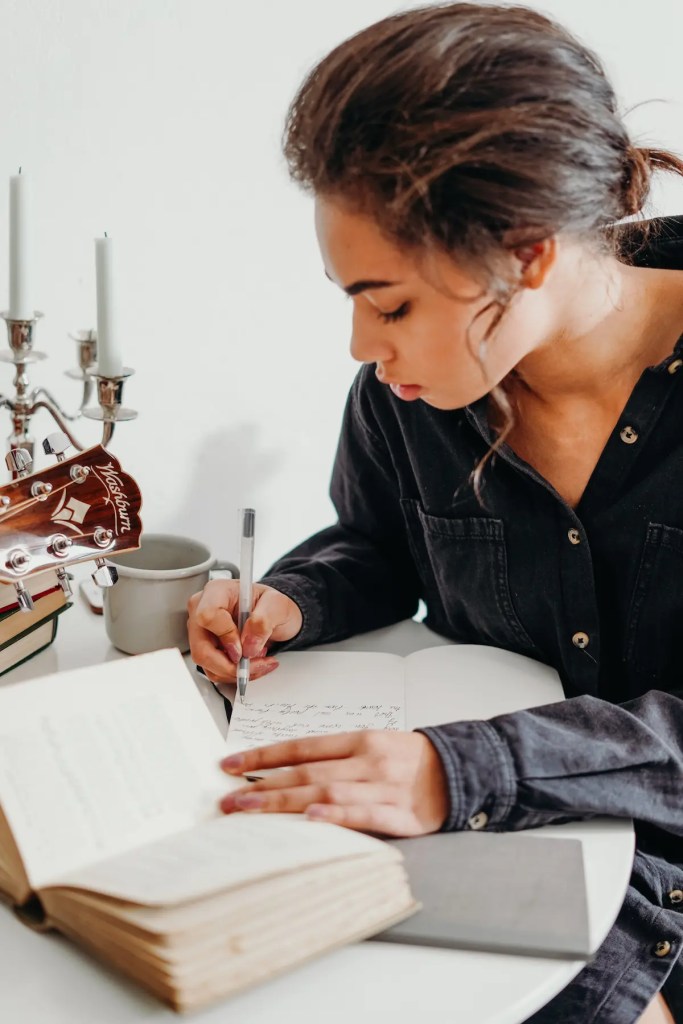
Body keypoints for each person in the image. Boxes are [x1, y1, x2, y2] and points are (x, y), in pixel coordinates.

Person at [187, 5, 683, 1021]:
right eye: (351, 298)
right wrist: (288, 600)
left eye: (392, 303)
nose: (363, 344)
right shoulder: (405, 401)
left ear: (529, 251)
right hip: (506, 850)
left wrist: (465, 769)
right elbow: (377, 545)